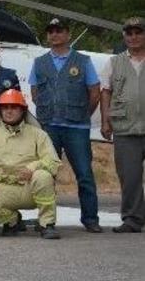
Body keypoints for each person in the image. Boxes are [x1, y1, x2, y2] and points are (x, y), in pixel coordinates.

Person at [29, 17, 102, 232]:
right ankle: (47, 220)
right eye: (50, 31)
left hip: (77, 128)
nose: (54, 34)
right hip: (49, 127)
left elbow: (95, 92)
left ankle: (91, 219)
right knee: (46, 175)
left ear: (68, 34)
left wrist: (80, 113)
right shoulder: (39, 62)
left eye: (59, 30)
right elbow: (35, 93)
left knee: (84, 174)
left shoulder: (83, 61)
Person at [0, 89, 61, 239]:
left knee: (43, 176)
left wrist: (33, 167)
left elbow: (53, 161)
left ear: (23, 111)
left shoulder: (38, 134)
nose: (9, 111)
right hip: (3, 189)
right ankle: (12, 221)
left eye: (14, 107)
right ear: (0, 111)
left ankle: (47, 224)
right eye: (5, 107)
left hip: (30, 189)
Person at [99, 16, 145, 233]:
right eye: (129, 33)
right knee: (130, 176)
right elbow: (105, 91)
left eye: (138, 32)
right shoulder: (114, 62)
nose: (134, 37)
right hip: (125, 128)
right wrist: (105, 120)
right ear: (124, 36)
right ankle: (133, 219)